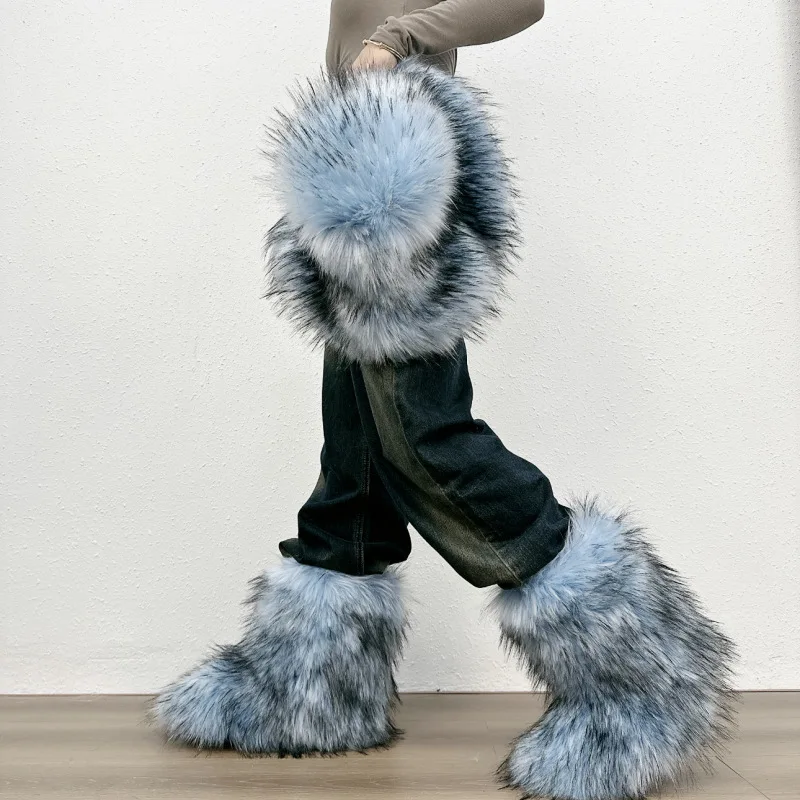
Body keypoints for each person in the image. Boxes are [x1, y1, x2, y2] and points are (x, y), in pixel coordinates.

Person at [154, 4, 735, 799]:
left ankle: (638, 680)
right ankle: (312, 692)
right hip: (356, 169)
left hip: (396, 175)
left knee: (427, 439)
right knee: (355, 452)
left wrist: (393, 41)